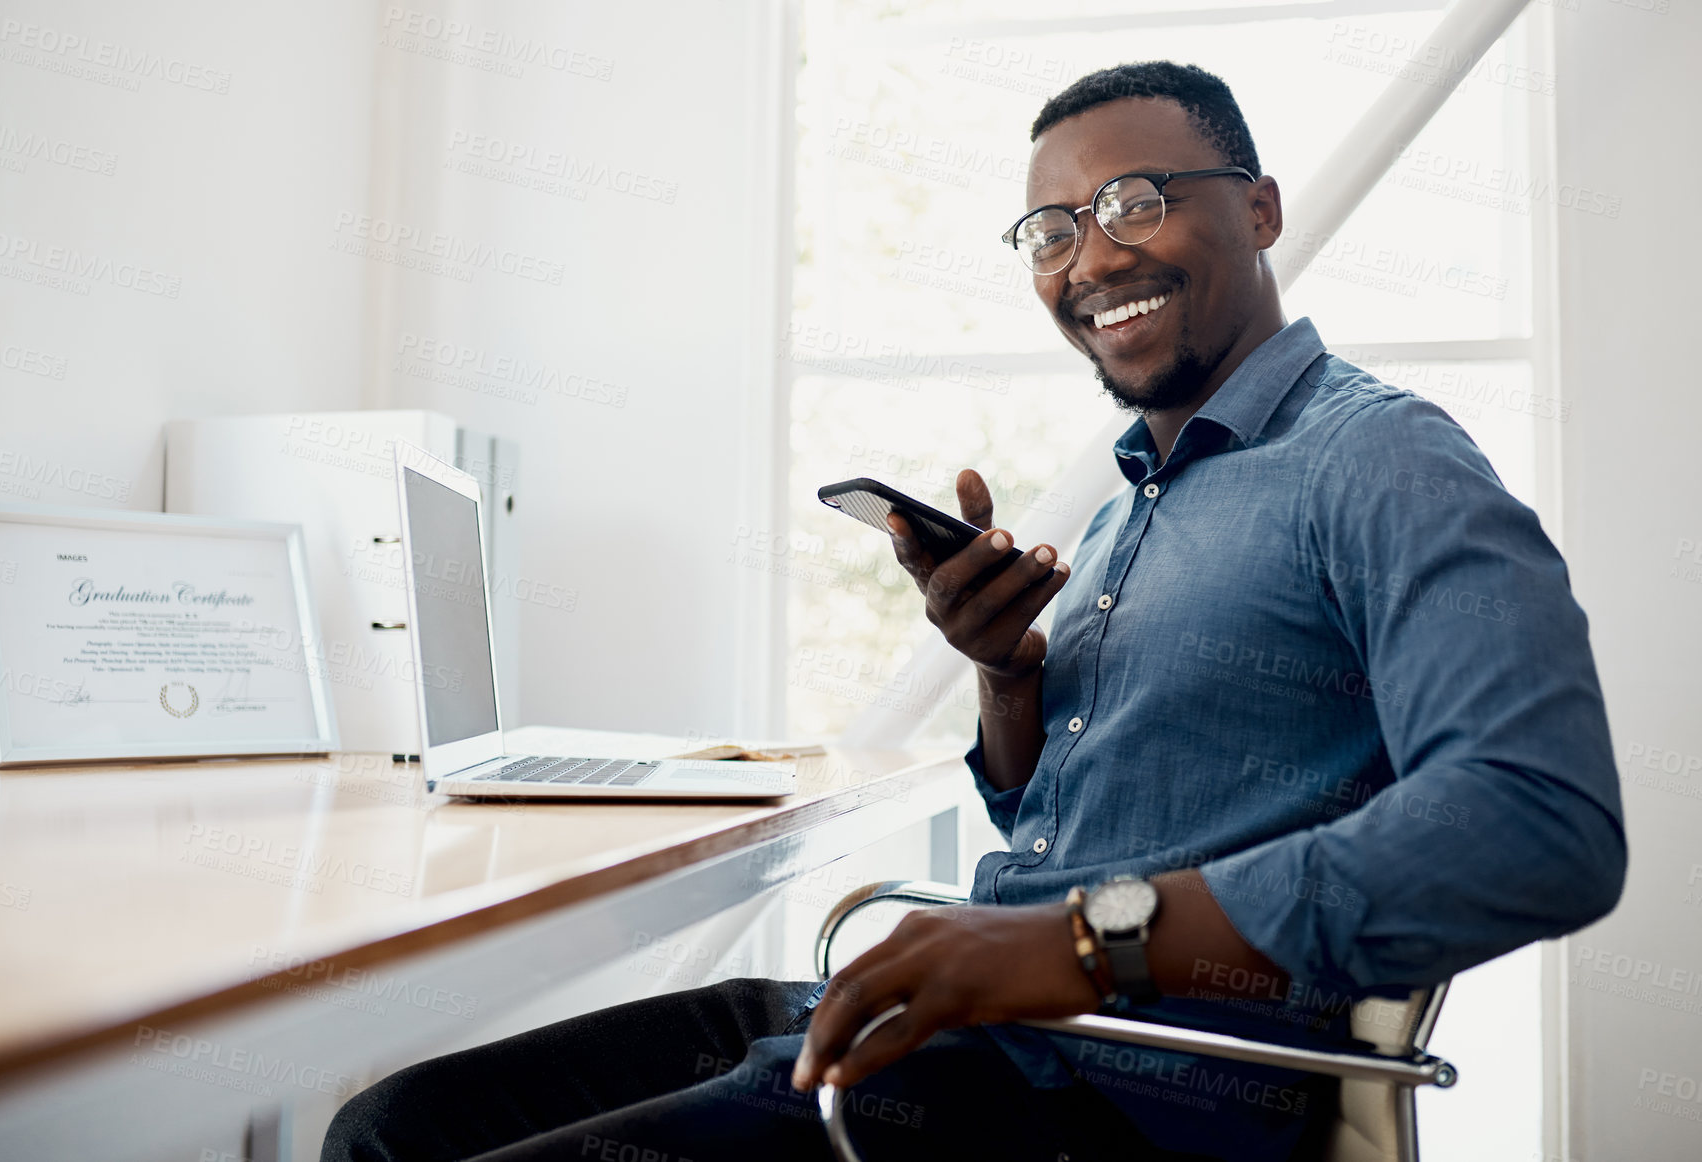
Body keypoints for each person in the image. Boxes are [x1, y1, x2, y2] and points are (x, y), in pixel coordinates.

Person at [322, 60, 1626, 1162]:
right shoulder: (1139, 496)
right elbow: (1065, 814)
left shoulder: (1379, 461)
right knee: (392, 1126)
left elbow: (1539, 823)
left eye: (1136, 201)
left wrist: (1076, 944)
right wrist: (1006, 676)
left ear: (1264, 209)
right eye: (1051, 229)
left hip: (1120, 1084)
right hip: (983, 1021)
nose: (1091, 254)